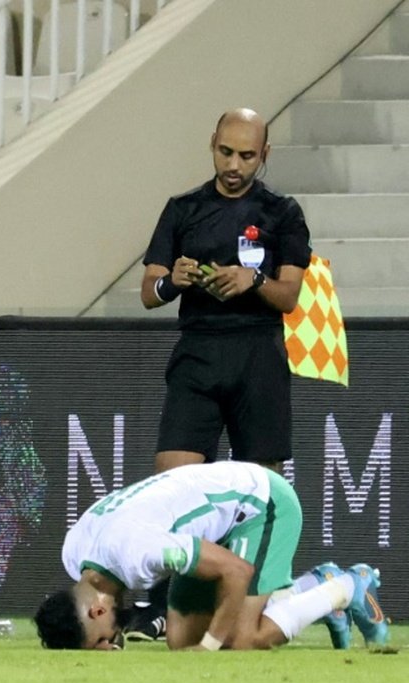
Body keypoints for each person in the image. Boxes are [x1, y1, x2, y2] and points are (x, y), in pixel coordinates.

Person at [131, 108, 313, 642]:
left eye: (247, 155)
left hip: (258, 356)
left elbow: (289, 296)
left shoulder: (283, 213)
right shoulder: (183, 209)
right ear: (212, 143)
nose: (234, 165)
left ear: (265, 154)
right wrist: (177, 281)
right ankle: (163, 608)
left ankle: (256, 603)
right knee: (172, 483)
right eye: (225, 152)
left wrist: (251, 280)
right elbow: (149, 292)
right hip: (198, 354)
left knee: (264, 491)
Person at [34, 461, 390, 651]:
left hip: (262, 504)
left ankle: (346, 586)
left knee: (240, 639)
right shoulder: (75, 552)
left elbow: (236, 571)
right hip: (210, 522)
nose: (111, 642)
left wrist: (211, 645)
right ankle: (315, 584)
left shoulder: (138, 553)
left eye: (101, 638)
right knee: (180, 641)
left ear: (97, 610)